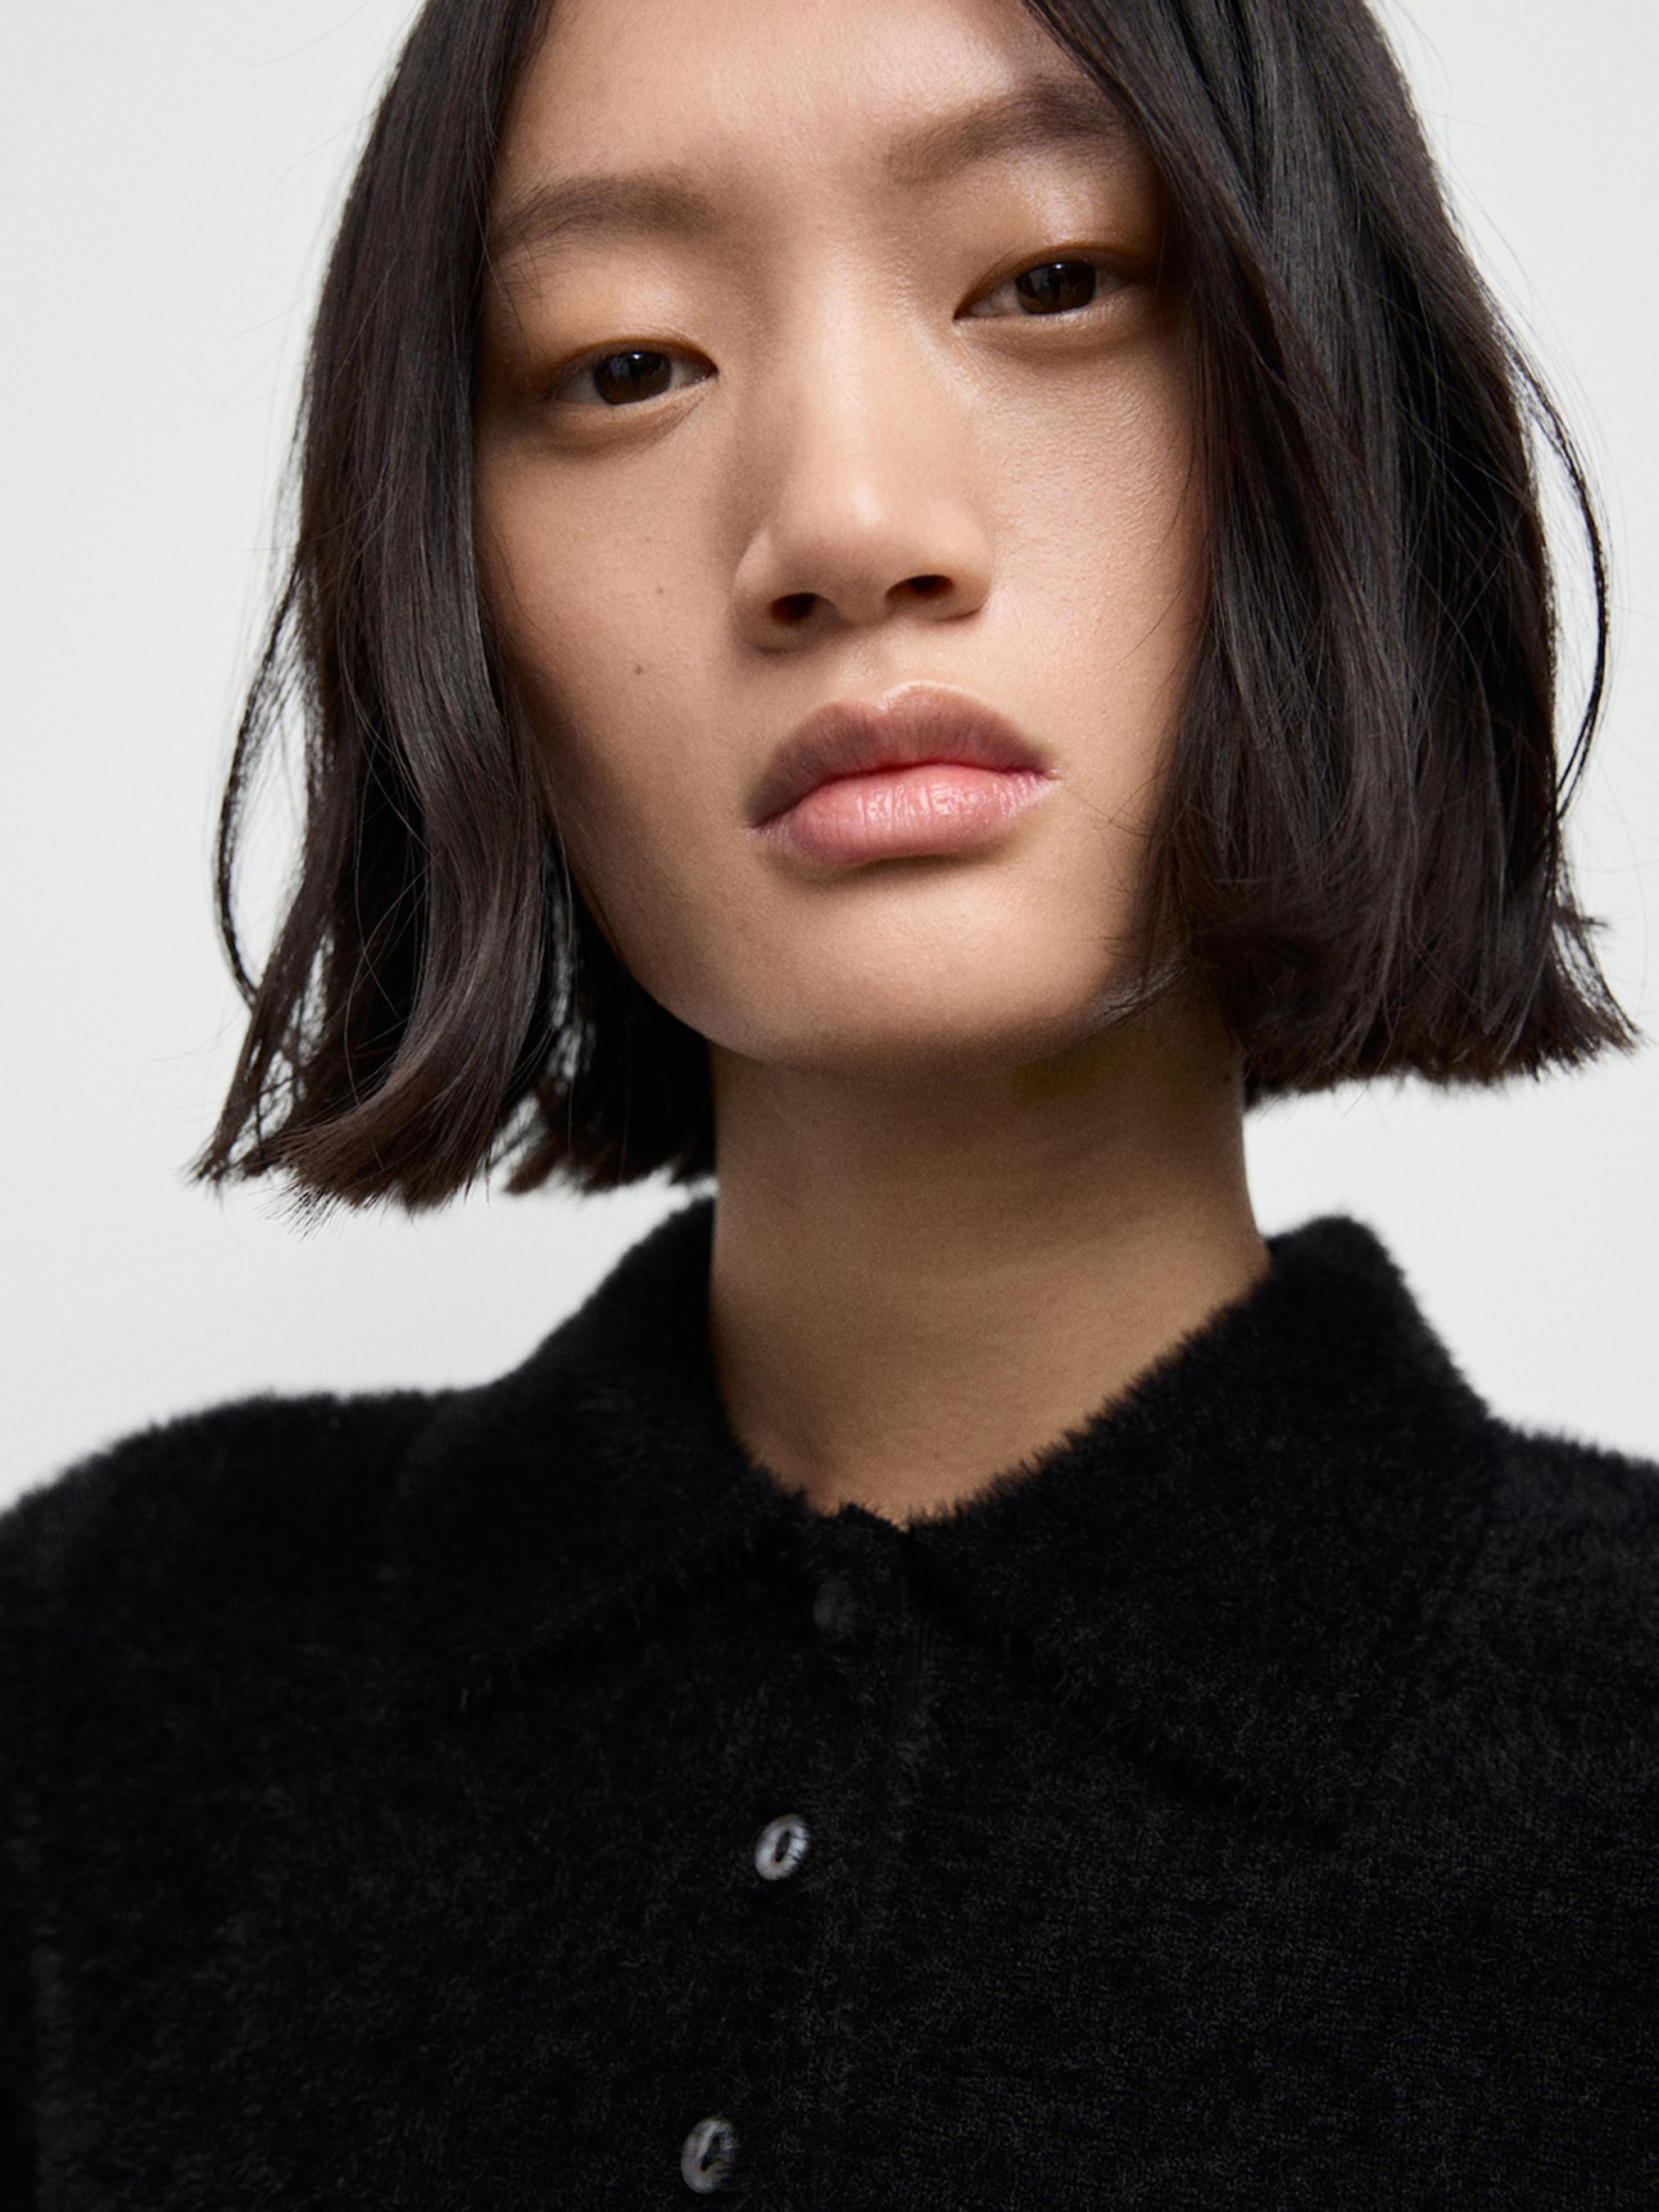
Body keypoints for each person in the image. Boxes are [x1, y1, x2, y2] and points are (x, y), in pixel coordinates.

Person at [2, 0, 1653, 2200]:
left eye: (1050, 278)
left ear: (1334, 407)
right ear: (451, 575)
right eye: (625, 364)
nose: (845, 526)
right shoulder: (107, 1676)